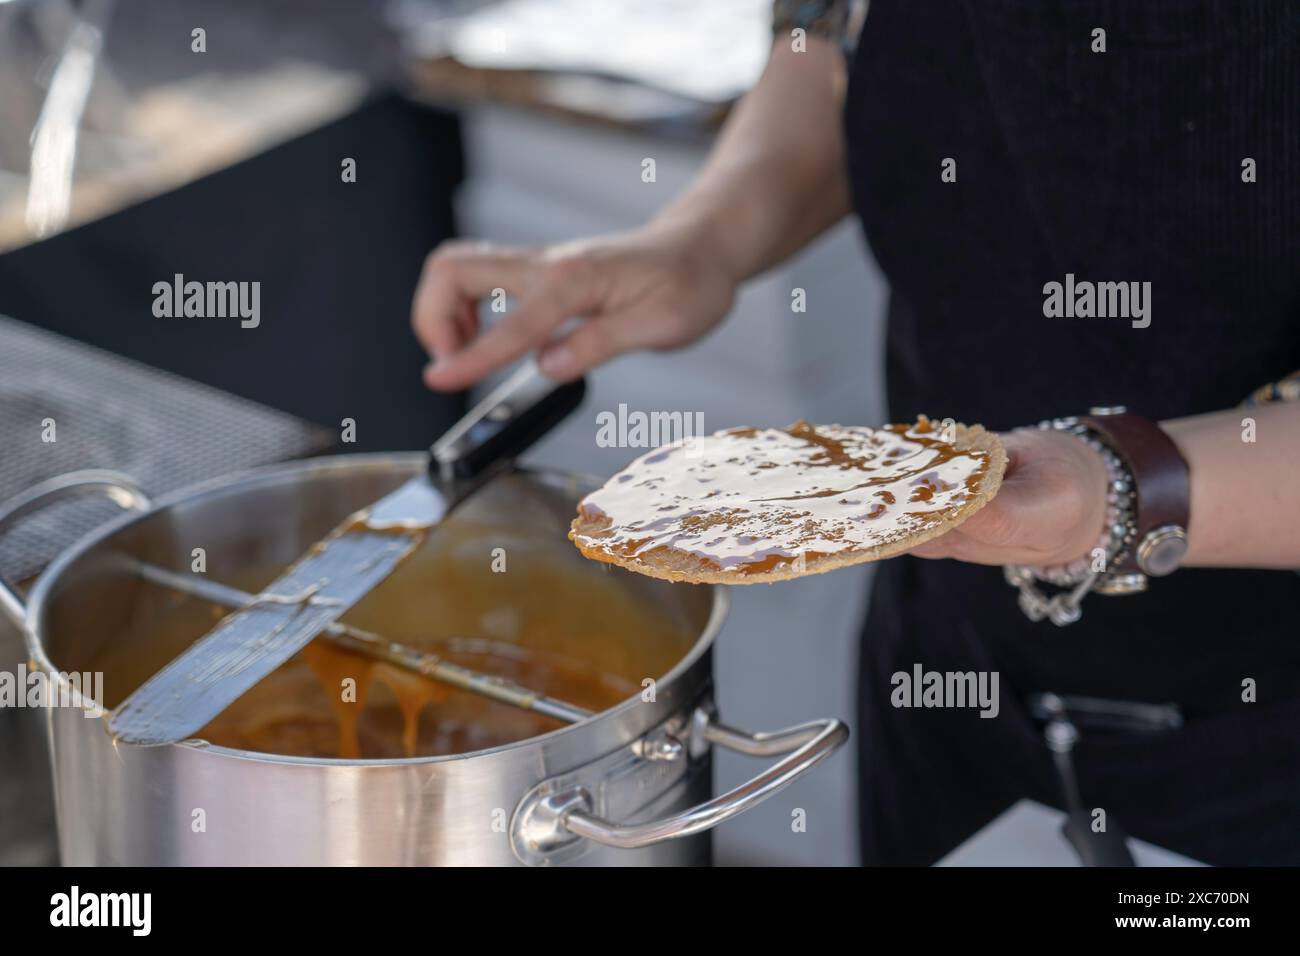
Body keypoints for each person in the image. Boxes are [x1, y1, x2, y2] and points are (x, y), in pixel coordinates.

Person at [411, 1, 1300, 865]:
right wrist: (702, 242)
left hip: (1259, 740)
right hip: (945, 669)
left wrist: (1112, 489)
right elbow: (834, 40)